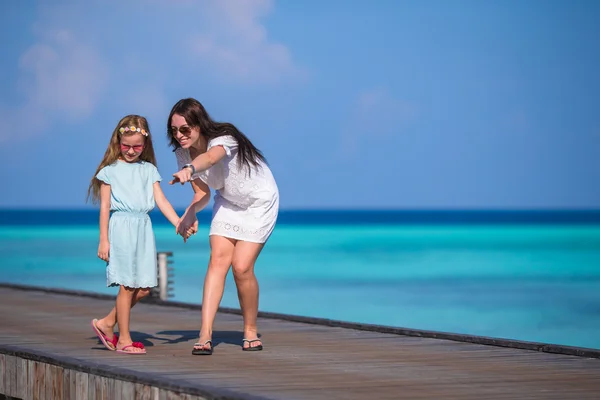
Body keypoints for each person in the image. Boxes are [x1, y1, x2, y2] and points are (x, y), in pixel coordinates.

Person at [168, 98, 279, 355]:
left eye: (185, 129)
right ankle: (205, 334)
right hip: (228, 201)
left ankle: (250, 330)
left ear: (199, 124)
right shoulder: (182, 154)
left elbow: (210, 158)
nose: (179, 135)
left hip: (259, 202)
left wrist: (190, 169)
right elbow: (203, 193)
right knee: (217, 261)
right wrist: (191, 212)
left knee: (241, 267)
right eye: (174, 130)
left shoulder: (224, 137)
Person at [87, 114, 185, 355]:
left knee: (144, 288)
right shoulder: (109, 171)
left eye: (137, 147)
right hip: (121, 227)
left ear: (145, 145)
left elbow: (160, 200)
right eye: (126, 146)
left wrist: (178, 223)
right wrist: (103, 240)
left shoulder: (149, 170)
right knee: (127, 286)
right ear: (118, 142)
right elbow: (105, 207)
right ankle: (124, 340)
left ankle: (107, 323)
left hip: (143, 228)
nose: (131, 151)